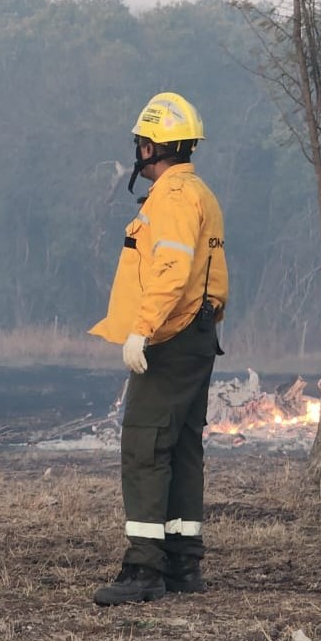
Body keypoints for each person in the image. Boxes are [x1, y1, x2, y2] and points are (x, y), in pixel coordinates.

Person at [89, 92, 229, 606]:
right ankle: (183, 563)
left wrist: (141, 331)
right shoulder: (201, 193)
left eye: (140, 143)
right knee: (183, 447)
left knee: (145, 446)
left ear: (152, 146)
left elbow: (171, 272)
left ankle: (145, 568)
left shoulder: (170, 199)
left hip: (169, 335)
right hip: (198, 334)